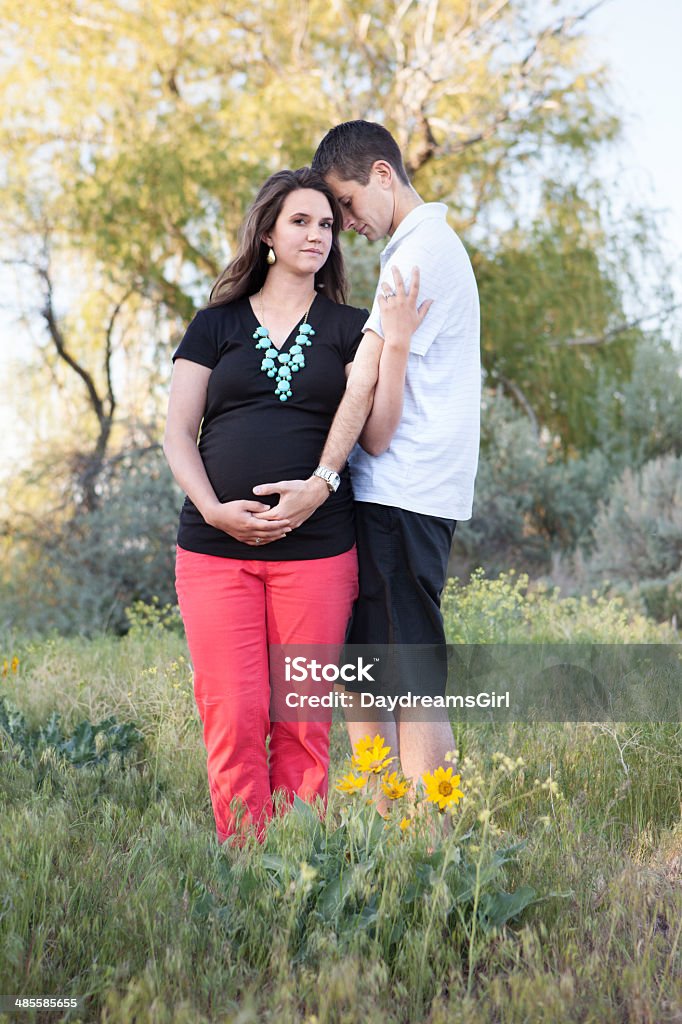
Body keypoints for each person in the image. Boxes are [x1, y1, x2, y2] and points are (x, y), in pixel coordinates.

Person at [163, 167, 413, 844]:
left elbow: (377, 431)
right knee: (235, 711)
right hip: (215, 552)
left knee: (302, 717)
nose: (317, 235)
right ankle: (245, 864)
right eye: (301, 221)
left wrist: (398, 340)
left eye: (328, 224)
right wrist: (213, 508)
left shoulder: (349, 327)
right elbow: (177, 433)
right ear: (268, 231)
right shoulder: (214, 325)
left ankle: (299, 869)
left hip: (320, 551)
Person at [253, 122, 481, 810]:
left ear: (384, 174)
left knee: (407, 676)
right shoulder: (423, 247)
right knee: (364, 673)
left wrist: (320, 480)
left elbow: (366, 391)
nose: (346, 223)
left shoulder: (418, 253)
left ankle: (430, 850)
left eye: (349, 204)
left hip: (403, 496)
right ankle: (386, 837)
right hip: (397, 493)